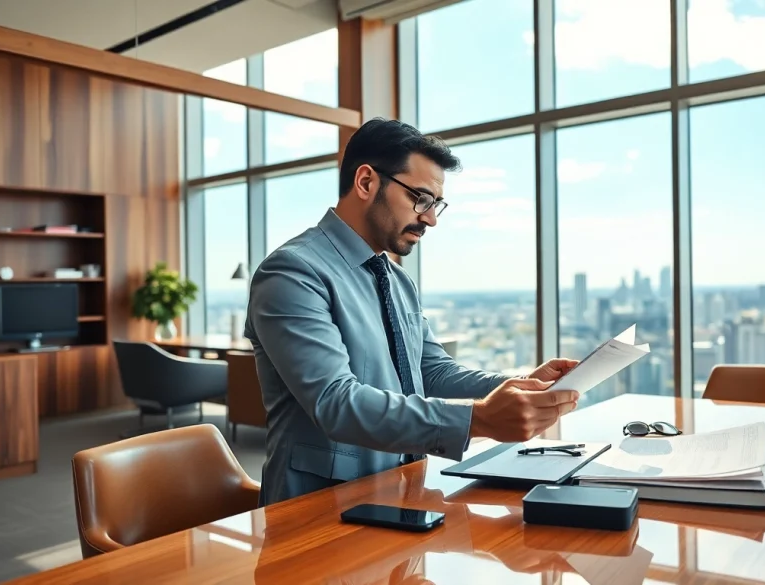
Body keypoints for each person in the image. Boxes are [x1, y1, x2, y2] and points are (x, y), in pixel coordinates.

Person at [245, 117, 581, 506]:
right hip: (316, 508)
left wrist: (519, 385)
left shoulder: (398, 280)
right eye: (420, 199)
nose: (430, 219)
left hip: (403, 492)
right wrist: (479, 419)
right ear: (366, 182)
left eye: (436, 204)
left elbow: (430, 372)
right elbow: (335, 402)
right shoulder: (292, 272)